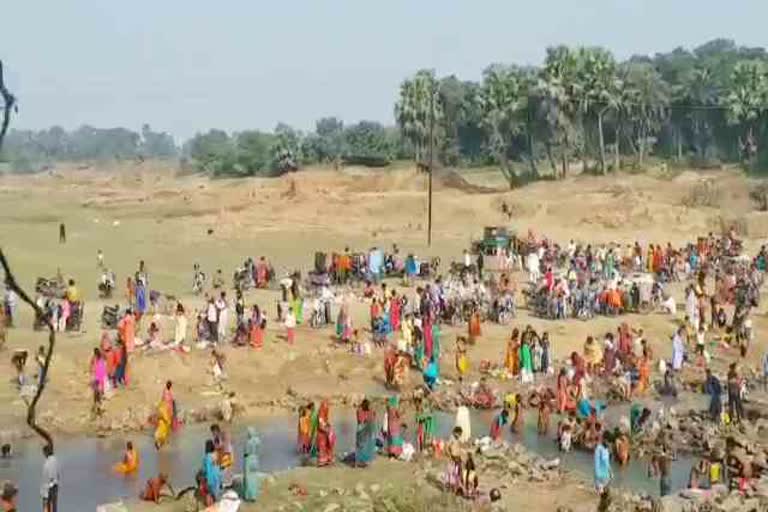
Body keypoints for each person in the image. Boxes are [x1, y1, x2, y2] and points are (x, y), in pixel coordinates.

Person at [355, 399, 377, 467]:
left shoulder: (366, 410)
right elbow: (361, 420)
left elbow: (372, 418)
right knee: (361, 445)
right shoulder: (360, 410)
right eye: (368, 405)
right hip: (362, 430)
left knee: (365, 446)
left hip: (364, 430)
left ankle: (363, 461)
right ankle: (359, 461)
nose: (369, 406)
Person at [243, 427, 262, 502]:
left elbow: (246, 452)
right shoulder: (258, 441)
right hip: (255, 459)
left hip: (249, 459)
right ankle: (254, 495)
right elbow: (259, 450)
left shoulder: (248, 442)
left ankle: (248, 496)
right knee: (254, 477)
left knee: (248, 478)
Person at [316, 400, 335, 466]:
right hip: (322, 434)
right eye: (326, 407)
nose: (327, 409)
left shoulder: (324, 415)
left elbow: (325, 422)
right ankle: (322, 461)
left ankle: (327, 459)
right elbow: (320, 425)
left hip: (325, 433)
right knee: (322, 446)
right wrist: (327, 430)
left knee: (327, 446)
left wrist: (329, 426)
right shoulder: (321, 414)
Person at [41, 444, 59, 512]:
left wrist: (46, 491)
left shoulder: (50, 461)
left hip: (49, 488)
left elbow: (51, 477)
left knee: (47, 507)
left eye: (44, 453)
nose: (43, 454)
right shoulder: (54, 460)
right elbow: (57, 475)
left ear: (46, 452)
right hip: (53, 487)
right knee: (53, 507)